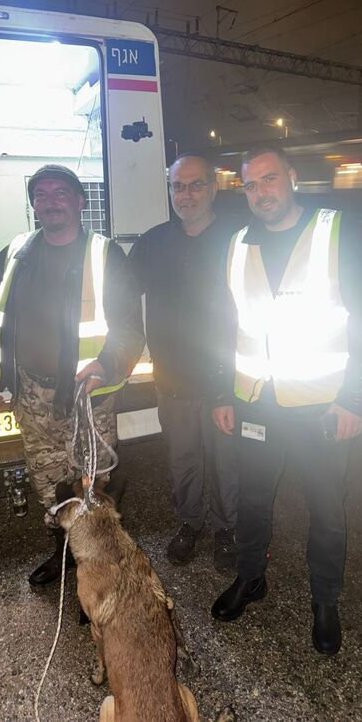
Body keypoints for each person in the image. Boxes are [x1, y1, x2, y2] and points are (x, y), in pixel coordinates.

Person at [210, 145, 362, 655]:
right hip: (256, 401)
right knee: (252, 499)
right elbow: (225, 325)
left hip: (323, 405)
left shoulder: (338, 232)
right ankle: (251, 577)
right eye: (250, 185)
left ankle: (325, 600)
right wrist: (223, 390)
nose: (260, 193)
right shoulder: (237, 243)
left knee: (327, 507)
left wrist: (355, 399)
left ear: (292, 177)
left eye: (269, 179)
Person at [0, 164, 144, 586]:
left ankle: (99, 566)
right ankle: (64, 555)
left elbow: (130, 327)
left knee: (93, 488)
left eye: (60, 193)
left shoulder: (105, 255)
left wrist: (107, 364)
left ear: (79, 202)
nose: (50, 202)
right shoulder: (16, 253)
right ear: (33, 204)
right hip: (32, 393)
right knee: (49, 485)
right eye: (41, 195)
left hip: (88, 396)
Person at [129, 154, 245, 572]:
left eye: (196, 185)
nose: (187, 194)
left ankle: (228, 529)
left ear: (213, 188)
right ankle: (190, 522)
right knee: (182, 459)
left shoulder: (238, 240)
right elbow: (119, 293)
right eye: (178, 186)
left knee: (227, 463)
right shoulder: (153, 242)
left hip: (225, 381)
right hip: (172, 378)